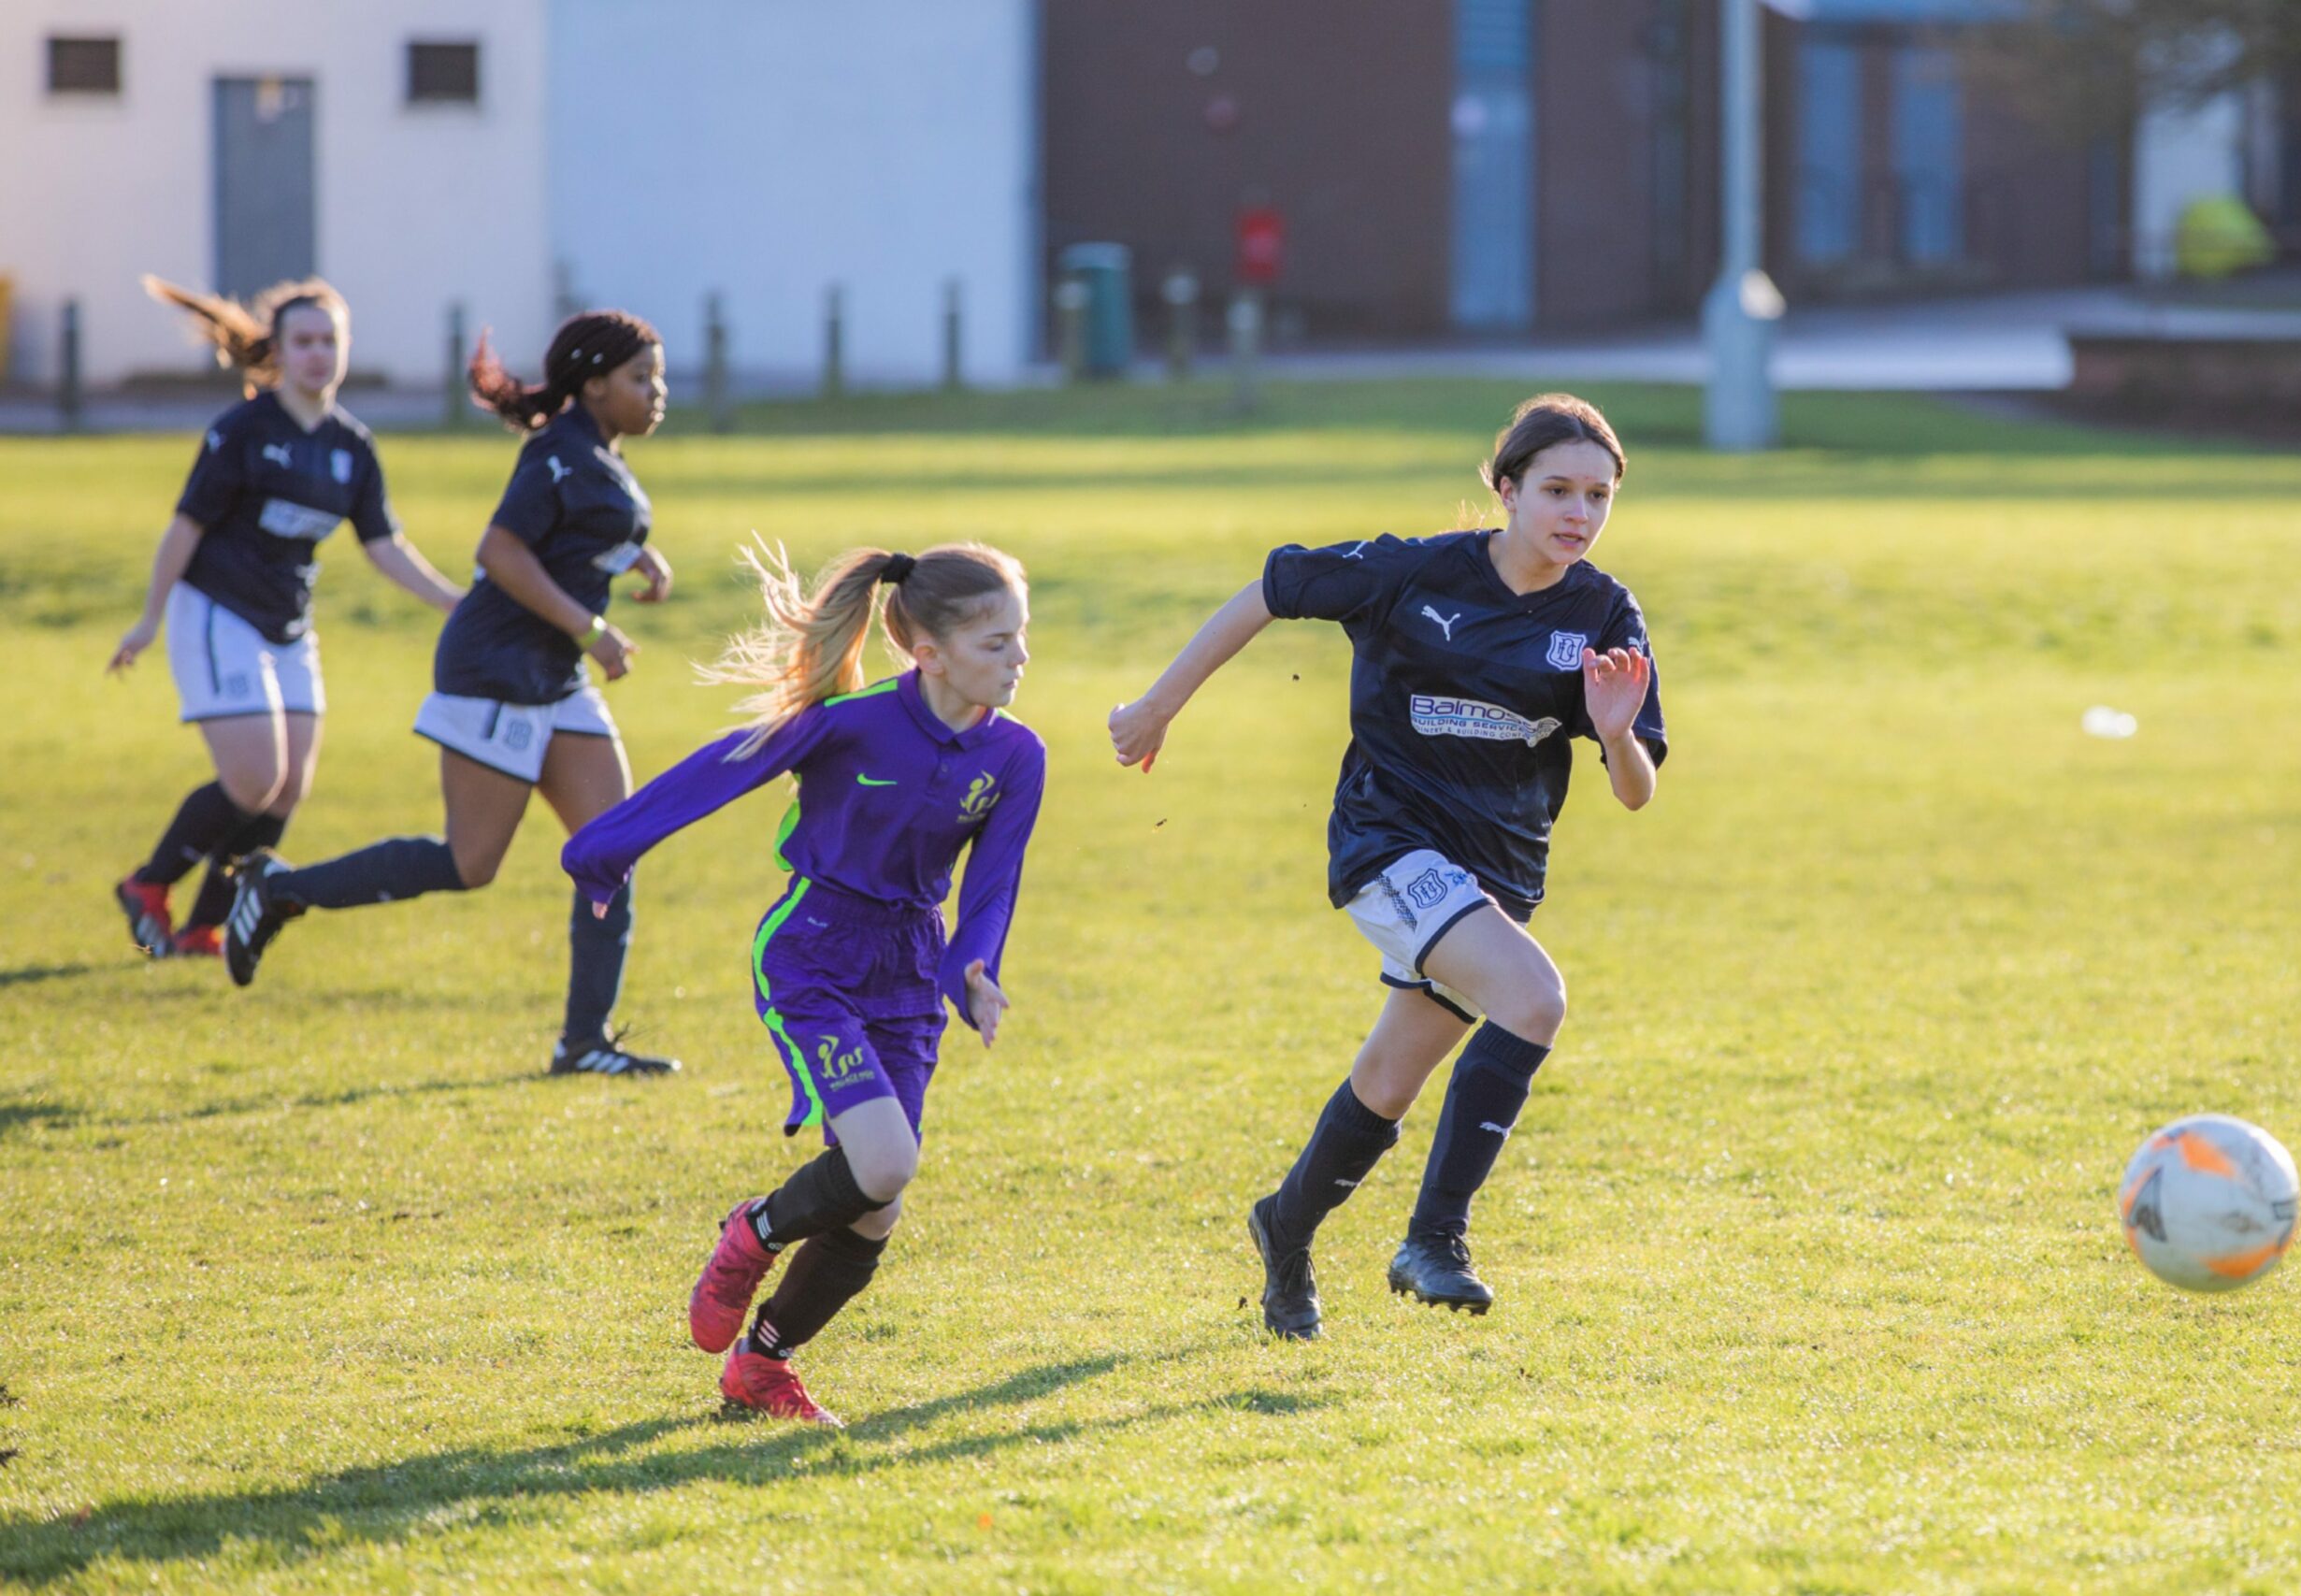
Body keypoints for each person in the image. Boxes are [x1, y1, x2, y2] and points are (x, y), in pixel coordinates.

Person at [1109, 393, 1666, 1340]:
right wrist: (1158, 706)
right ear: (1505, 489)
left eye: (1599, 496)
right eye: (1557, 490)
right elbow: (1269, 590)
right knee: (1533, 1001)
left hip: (1498, 879)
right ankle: (1434, 1240)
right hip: (1386, 842)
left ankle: (1284, 1230)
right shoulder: (1410, 572)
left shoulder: (1603, 611)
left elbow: (1635, 790)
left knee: (1389, 1078)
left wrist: (1614, 735)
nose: (1579, 513)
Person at [563, 541, 1042, 1424]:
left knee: (877, 1202)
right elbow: (719, 770)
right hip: (814, 950)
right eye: (997, 643)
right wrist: (602, 852)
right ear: (928, 652)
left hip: (906, 964)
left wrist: (972, 967)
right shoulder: (851, 721)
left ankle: (761, 1365)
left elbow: (994, 883)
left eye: (1022, 638)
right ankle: (751, 1233)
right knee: (885, 1163)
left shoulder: (1017, 756)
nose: (1020, 659)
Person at [224, 311, 681, 1077]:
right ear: (594, 383)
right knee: (470, 864)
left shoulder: (598, 456)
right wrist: (589, 627)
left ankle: (585, 1043)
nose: (657, 392)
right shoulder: (556, 455)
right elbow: (499, 551)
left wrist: (638, 555)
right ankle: (279, 888)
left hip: (553, 677)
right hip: (495, 668)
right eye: (643, 378)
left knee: (613, 849)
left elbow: (582, 530)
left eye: (656, 377)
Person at [108, 276, 463, 959]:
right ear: (279, 350)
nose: (318, 354)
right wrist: (149, 618)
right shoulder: (243, 431)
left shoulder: (351, 446)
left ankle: (203, 926)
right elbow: (184, 528)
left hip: (289, 626)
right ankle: (147, 884)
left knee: (288, 785)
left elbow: (384, 545)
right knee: (251, 777)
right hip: (218, 611)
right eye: (304, 341)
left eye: (330, 341)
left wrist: (453, 600)